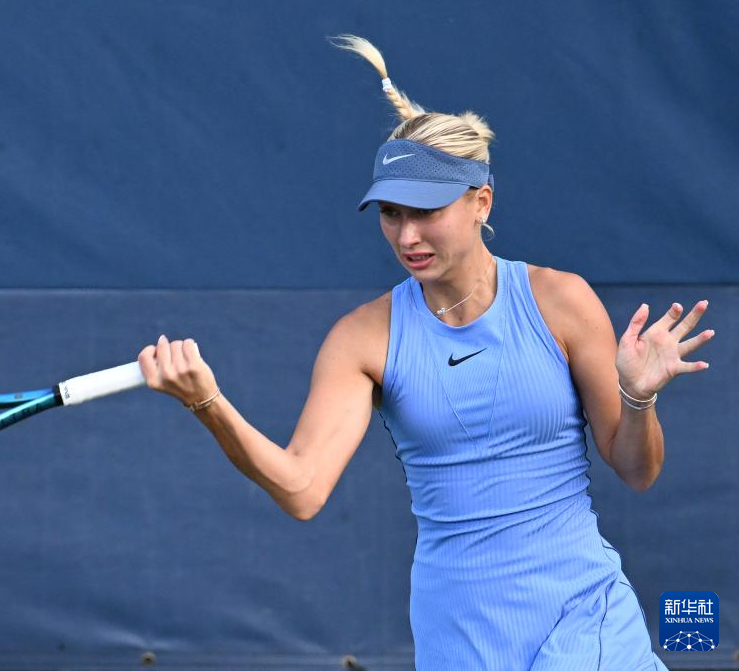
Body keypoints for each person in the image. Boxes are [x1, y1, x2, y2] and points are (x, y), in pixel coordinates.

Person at [137, 35, 714, 670]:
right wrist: (208, 403)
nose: (406, 235)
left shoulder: (561, 300)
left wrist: (638, 398)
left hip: (585, 615)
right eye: (390, 213)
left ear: (480, 201)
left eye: (426, 211)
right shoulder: (362, 338)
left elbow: (637, 470)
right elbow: (301, 489)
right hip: (457, 630)